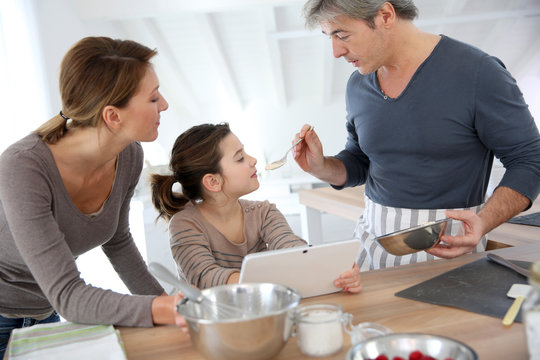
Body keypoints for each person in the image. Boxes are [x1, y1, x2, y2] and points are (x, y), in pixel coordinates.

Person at [293, 0, 540, 270]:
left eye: (342, 35)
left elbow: (530, 160)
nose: (336, 51)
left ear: (385, 16)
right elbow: (361, 161)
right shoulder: (358, 83)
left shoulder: (478, 73)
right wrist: (321, 167)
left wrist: (484, 221)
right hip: (370, 248)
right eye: (330, 37)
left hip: (449, 250)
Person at [0, 36, 186, 358]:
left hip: (45, 313)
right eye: (154, 98)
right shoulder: (23, 167)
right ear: (113, 116)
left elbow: (117, 240)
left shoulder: (129, 156)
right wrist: (159, 308)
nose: (165, 105)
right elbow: (70, 296)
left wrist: (171, 310)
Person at [150, 123, 361, 291]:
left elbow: (294, 250)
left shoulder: (264, 212)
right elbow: (206, 278)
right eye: (240, 158)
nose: (253, 160)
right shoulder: (185, 224)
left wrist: (332, 268)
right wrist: (272, 280)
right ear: (213, 182)